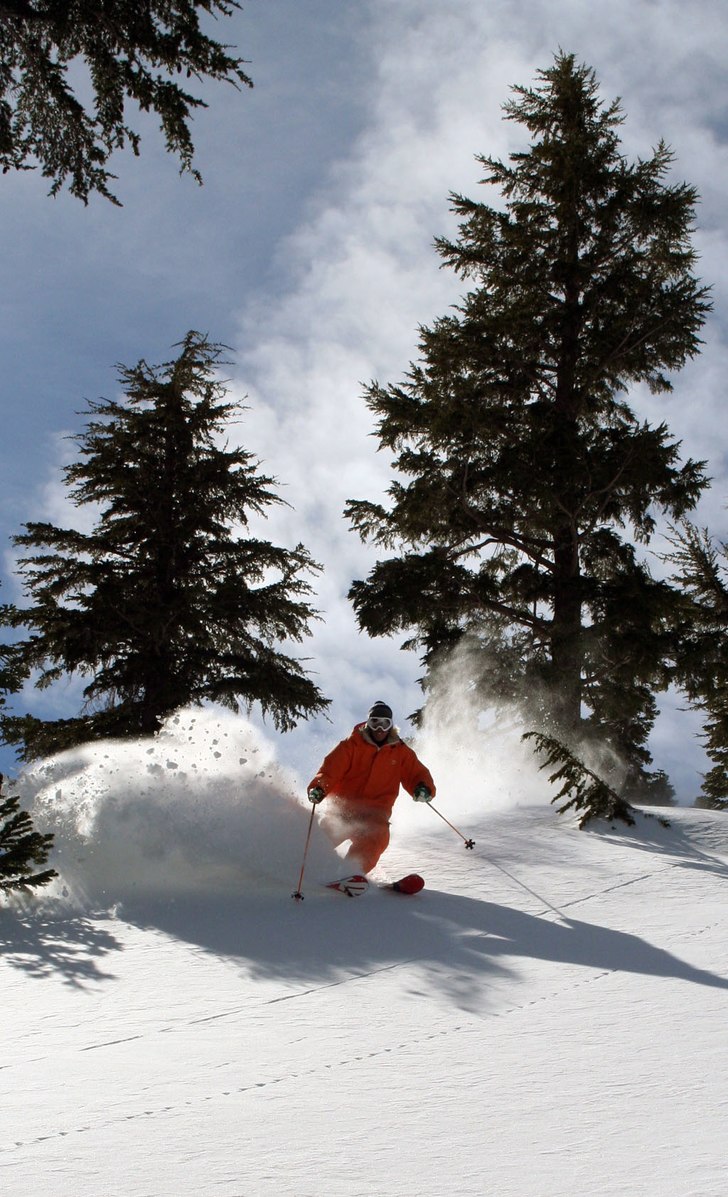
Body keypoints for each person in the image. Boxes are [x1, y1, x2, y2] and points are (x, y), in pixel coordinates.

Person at [307, 700, 436, 874]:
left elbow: (416, 773)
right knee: (323, 837)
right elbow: (330, 770)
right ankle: (305, 866)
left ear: (391, 726)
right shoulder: (351, 746)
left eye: (385, 723)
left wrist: (423, 787)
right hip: (343, 810)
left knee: (377, 838)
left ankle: (350, 872)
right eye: (375, 722)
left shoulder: (400, 752)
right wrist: (319, 788)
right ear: (368, 723)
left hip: (374, 815)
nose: (380, 728)